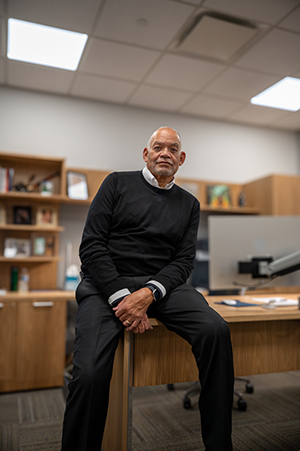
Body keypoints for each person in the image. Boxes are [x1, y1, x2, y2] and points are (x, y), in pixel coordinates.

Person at [61, 126, 234, 451]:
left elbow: (183, 262)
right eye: (158, 147)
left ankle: (220, 445)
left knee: (216, 330)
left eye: (172, 149)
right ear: (146, 154)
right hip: (105, 286)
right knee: (90, 375)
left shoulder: (189, 204)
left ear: (181, 159)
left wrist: (149, 294)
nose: (164, 153)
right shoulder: (116, 183)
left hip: (162, 286)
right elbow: (92, 247)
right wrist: (124, 298)